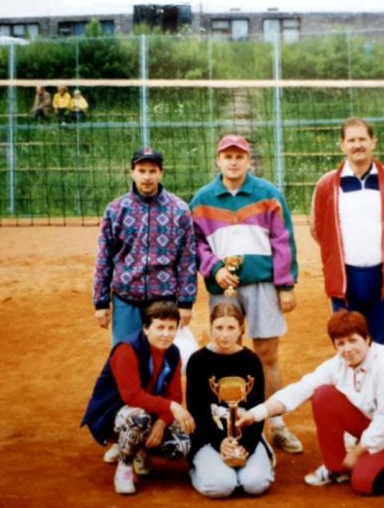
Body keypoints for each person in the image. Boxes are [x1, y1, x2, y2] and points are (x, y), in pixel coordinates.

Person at [238, 309, 384, 496]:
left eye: (353, 340)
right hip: (373, 423)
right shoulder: (338, 364)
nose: (347, 349)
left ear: (367, 338)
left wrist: (356, 453)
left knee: (364, 482)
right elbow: (300, 390)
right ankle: (335, 468)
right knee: (323, 395)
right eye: (340, 343)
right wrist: (255, 414)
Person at [189, 134, 302, 454]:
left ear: (248, 160)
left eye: (239, 156)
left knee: (267, 354)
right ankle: (230, 424)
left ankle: (276, 425)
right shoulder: (202, 199)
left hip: (264, 285)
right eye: (228, 156)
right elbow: (195, 244)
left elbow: (283, 240)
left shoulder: (268, 194)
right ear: (218, 160)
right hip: (224, 290)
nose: (234, 161)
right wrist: (214, 269)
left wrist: (286, 284)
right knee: (226, 353)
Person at [309, 117, 384, 347]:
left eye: (362, 139)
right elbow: (317, 228)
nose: (358, 145)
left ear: (373, 142)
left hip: (383, 277)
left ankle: (379, 384)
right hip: (345, 278)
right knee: (347, 343)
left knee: (383, 347)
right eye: (351, 140)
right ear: (342, 145)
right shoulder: (327, 184)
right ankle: (350, 384)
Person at [80, 301, 196, 495]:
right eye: (160, 327)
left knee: (183, 442)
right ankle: (124, 465)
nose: (166, 334)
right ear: (146, 328)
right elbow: (132, 396)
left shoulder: (173, 353)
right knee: (138, 417)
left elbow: (174, 394)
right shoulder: (127, 349)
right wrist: (171, 407)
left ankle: (137, 449)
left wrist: (161, 424)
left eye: (171, 328)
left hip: (147, 411)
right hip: (111, 414)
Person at [92, 145, 197, 344]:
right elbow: (104, 258)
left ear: (161, 173)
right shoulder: (115, 210)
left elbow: (187, 259)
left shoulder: (179, 210)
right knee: (125, 358)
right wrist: (101, 302)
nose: (147, 177)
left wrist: (186, 302)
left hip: (164, 300)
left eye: (152, 171)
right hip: (126, 298)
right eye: (141, 171)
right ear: (132, 172)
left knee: (161, 359)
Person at [185, 302, 274, 498]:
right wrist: (221, 443)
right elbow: (197, 411)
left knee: (255, 485)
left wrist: (247, 446)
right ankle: (195, 468)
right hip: (208, 437)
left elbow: (256, 409)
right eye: (219, 327)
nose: (224, 334)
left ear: (241, 328)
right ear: (210, 326)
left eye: (231, 327)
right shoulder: (198, 360)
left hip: (247, 436)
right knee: (221, 486)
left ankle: (258, 454)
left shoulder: (251, 360)